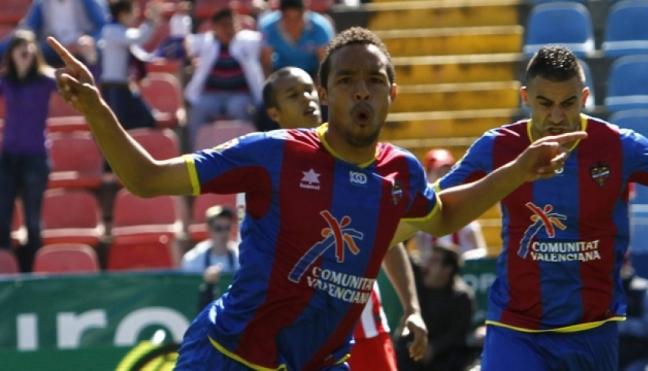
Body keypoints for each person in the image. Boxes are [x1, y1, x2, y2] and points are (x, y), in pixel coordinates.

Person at [48, 27, 583, 370]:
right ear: (323, 94)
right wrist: (96, 110)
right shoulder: (271, 154)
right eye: (346, 80)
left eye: (373, 80)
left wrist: (518, 171)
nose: (360, 91)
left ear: (391, 94)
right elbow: (147, 179)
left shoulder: (401, 172)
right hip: (231, 358)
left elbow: (442, 218)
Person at [440, 45, 648, 370]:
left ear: (584, 97)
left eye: (568, 103)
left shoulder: (619, 145)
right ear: (525, 97)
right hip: (516, 329)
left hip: (592, 331)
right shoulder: (498, 146)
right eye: (545, 104)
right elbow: (433, 204)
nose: (557, 117)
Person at [263, 66, 416, 371]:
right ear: (274, 112)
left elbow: (386, 237)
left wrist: (412, 307)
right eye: (293, 95)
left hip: (365, 326)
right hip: (303, 330)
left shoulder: (358, 155)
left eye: (309, 90)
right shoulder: (263, 166)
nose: (306, 99)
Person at [0, 30, 57, 272]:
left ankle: (30, 273)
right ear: (11, 53)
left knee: (33, 222)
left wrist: (90, 59)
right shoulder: (5, 81)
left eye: (29, 48)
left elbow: (82, 85)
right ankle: (6, 269)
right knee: (2, 218)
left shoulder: (46, 80)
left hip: (35, 159)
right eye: (19, 48)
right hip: (8, 158)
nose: (25, 52)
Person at [184, 8, 263, 148]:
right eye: (223, 25)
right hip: (212, 95)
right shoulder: (207, 41)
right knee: (198, 109)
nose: (228, 29)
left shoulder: (248, 40)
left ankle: (248, 150)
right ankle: (194, 153)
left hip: (239, 95)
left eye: (231, 24)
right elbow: (186, 43)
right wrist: (190, 58)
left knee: (239, 108)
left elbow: (265, 39)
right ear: (215, 28)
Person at [397, 243, 476, 371]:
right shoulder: (418, 280)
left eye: (433, 261)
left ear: (447, 269)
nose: (427, 265)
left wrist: (433, 348)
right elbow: (401, 251)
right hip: (413, 350)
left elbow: (457, 334)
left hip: (443, 357)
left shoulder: (462, 297)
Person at [413, 148, 488, 261]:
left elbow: (482, 251)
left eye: (448, 173)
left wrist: (459, 259)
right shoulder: (420, 218)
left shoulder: (466, 216)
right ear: (427, 175)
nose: (445, 178)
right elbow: (421, 254)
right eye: (439, 173)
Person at [98, 0, 162, 130]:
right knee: (118, 127)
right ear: (122, 14)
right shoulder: (111, 30)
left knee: (146, 120)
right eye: (133, 12)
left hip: (123, 86)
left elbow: (141, 53)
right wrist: (150, 22)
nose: (136, 15)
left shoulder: (118, 31)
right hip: (114, 87)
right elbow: (137, 38)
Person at [182, 205, 240, 311]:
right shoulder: (193, 258)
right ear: (209, 229)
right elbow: (188, 293)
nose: (224, 233)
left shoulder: (240, 255)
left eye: (227, 228)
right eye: (218, 228)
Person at [18, 0, 108, 66]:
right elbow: (28, 30)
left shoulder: (89, 2)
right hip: (53, 48)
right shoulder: (41, 3)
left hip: (83, 48)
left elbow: (104, 26)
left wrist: (91, 40)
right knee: (24, 50)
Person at [258, 0, 334, 78]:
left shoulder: (320, 27)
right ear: (281, 14)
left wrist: (317, 87)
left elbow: (323, 62)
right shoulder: (268, 27)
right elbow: (266, 62)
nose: (293, 23)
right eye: (288, 18)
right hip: (281, 74)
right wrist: (272, 86)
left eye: (297, 18)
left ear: (305, 12)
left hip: (313, 72)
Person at [619, 258, 648, 371]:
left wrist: (621, 326)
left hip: (642, 360)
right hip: (613, 359)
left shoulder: (646, 290)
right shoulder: (609, 292)